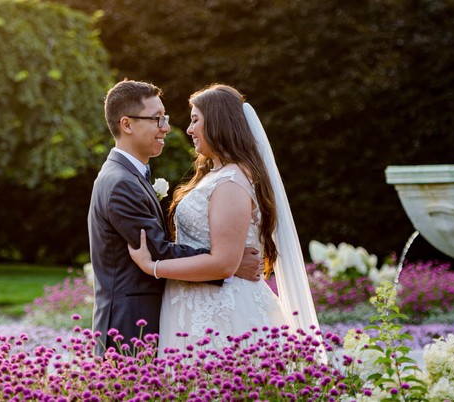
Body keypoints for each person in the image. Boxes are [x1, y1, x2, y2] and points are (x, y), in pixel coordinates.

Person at [127, 83, 322, 355]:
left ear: (217, 123)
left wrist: (154, 267)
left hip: (221, 311)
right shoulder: (215, 175)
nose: (189, 129)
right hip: (195, 305)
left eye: (196, 120)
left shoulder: (231, 181)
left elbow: (222, 264)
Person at [88, 79, 262, 355]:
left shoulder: (131, 176)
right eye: (157, 119)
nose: (167, 127)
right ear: (127, 124)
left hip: (168, 319)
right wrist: (229, 263)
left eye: (164, 118)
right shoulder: (121, 182)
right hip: (130, 328)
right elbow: (158, 251)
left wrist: (223, 262)